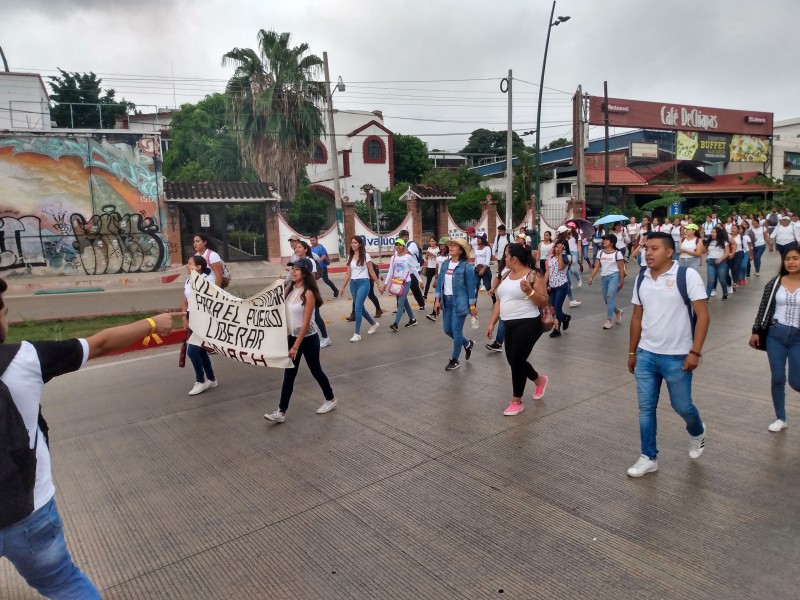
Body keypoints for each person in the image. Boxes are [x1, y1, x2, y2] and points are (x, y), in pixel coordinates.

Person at [0, 284, 176, 598]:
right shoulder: (24, 359)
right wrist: (153, 323)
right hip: (30, 514)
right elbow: (99, 344)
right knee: (64, 583)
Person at [627, 231, 710, 478]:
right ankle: (648, 456)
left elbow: (703, 315)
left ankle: (697, 431)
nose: (648, 253)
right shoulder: (642, 278)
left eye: (654, 248)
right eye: (646, 248)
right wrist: (632, 351)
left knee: (682, 406)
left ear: (669, 251)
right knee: (645, 409)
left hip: (678, 356)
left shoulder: (687, 275)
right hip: (646, 355)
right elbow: (637, 316)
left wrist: (695, 352)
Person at [264, 258, 336, 423]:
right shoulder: (290, 290)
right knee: (289, 374)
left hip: (308, 339)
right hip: (292, 337)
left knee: (316, 371)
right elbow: (277, 307)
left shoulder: (308, 293)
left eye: (297, 269)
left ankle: (330, 399)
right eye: (292, 269)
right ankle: (281, 411)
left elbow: (305, 323)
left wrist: (295, 346)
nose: (293, 271)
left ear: (305, 272)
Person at [486, 243, 549, 416]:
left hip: (528, 323)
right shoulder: (506, 274)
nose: (504, 258)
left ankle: (517, 401)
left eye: (506, 256)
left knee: (516, 360)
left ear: (514, 258)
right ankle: (539, 380)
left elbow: (543, 301)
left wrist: (529, 292)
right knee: (515, 360)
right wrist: (492, 322)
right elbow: (499, 300)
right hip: (508, 324)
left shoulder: (533, 275)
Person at [750, 247, 800, 433]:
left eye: (796, 258)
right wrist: (756, 330)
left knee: (796, 381)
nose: (791, 262)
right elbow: (764, 307)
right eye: (788, 259)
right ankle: (780, 417)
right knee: (778, 378)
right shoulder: (775, 282)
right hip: (775, 335)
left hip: (798, 338)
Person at [433, 238, 477, 371]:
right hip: (447, 302)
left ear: (461, 250)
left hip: (460, 303)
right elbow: (440, 282)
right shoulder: (445, 264)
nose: (451, 247)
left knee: (456, 331)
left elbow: (471, 288)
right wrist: (437, 300)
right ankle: (467, 343)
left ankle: (455, 359)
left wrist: (473, 307)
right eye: (450, 245)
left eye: (454, 246)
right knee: (448, 330)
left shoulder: (467, 267)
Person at [181, 255, 218, 395]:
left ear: (198, 267)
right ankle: (212, 379)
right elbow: (185, 300)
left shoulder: (208, 280)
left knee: (192, 351)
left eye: (189, 264)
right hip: (192, 317)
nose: (187, 265)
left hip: (202, 318)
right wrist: (185, 318)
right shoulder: (188, 280)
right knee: (201, 351)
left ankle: (201, 380)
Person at [339, 236, 380, 342]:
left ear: (360, 244)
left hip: (364, 283)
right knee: (361, 308)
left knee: (357, 308)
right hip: (353, 284)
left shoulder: (366, 256)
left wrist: (378, 284)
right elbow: (348, 274)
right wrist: (343, 286)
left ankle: (357, 334)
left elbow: (371, 272)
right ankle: (373, 324)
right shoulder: (350, 257)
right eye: (352, 242)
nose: (353, 244)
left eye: (355, 243)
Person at [293, 240, 332, 347]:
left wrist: (310, 292)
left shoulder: (310, 261)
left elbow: (312, 278)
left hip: (308, 292)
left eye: (299, 247)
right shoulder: (297, 260)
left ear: (305, 250)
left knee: (316, 316)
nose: (297, 249)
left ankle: (325, 338)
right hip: (299, 293)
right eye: (296, 247)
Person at [380, 239, 420, 332]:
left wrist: (420, 281)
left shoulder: (408, 257)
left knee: (400, 303)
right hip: (397, 283)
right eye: (396, 245)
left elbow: (413, 269)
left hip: (406, 282)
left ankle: (395, 324)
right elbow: (390, 271)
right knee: (404, 302)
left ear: (403, 247)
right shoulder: (393, 257)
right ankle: (413, 319)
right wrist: (385, 284)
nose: (398, 246)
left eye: (400, 245)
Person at [588, 233, 625, 329]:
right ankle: (617, 312)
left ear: (612, 242)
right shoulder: (600, 252)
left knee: (610, 297)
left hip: (614, 277)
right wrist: (591, 277)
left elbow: (621, 269)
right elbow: (597, 266)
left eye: (606, 240)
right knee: (606, 299)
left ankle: (608, 321)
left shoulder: (618, 253)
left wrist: (621, 281)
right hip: (604, 277)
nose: (604, 241)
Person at [545, 239, 571, 338]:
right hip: (552, 286)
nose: (557, 249)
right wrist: (543, 285)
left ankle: (556, 329)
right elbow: (548, 271)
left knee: (557, 307)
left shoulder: (567, 257)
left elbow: (560, 267)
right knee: (552, 308)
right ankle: (565, 317)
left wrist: (561, 253)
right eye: (556, 247)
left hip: (561, 285)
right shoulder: (551, 257)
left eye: (560, 247)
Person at [396, 230, 426, 311]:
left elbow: (407, 253)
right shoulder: (401, 244)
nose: (401, 239)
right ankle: (400, 307)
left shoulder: (412, 244)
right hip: (404, 270)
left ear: (406, 237)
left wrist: (401, 247)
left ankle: (421, 304)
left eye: (402, 237)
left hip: (414, 270)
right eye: (400, 237)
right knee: (398, 288)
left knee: (414, 288)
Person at [701, 226, 732, 300]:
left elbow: (727, 253)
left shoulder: (724, 242)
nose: (712, 233)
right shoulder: (709, 241)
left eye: (714, 232)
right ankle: (707, 296)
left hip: (721, 262)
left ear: (718, 233)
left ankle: (725, 293)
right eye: (712, 232)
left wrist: (720, 259)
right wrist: (704, 245)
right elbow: (703, 252)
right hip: (711, 262)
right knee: (710, 280)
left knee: (722, 279)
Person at [426, 237, 449, 323]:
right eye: (440, 244)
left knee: (440, 295)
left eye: (443, 244)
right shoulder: (439, 254)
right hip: (439, 276)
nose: (441, 245)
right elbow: (437, 265)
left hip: (445, 276)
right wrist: (436, 275)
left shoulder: (448, 255)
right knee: (438, 294)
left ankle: (435, 312)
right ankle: (435, 312)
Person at [473, 233, 494, 304]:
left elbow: (487, 261)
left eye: (479, 238)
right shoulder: (476, 248)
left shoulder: (487, 248)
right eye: (477, 238)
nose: (477, 240)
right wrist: (475, 268)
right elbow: (475, 259)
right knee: (475, 287)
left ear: (483, 239)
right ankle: (473, 306)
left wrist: (483, 269)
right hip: (477, 269)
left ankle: (494, 301)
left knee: (488, 287)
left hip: (485, 270)